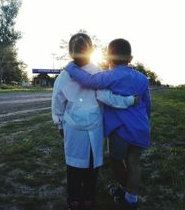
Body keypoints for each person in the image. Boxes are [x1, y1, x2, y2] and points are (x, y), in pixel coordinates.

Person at [52, 33, 137, 210]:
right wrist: (129, 100)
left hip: (73, 127)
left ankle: (74, 200)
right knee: (91, 166)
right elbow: (108, 97)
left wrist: (59, 123)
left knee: (73, 165)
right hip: (94, 127)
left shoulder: (63, 77)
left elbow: (57, 103)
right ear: (91, 50)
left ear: (70, 52)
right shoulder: (98, 73)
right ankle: (89, 198)